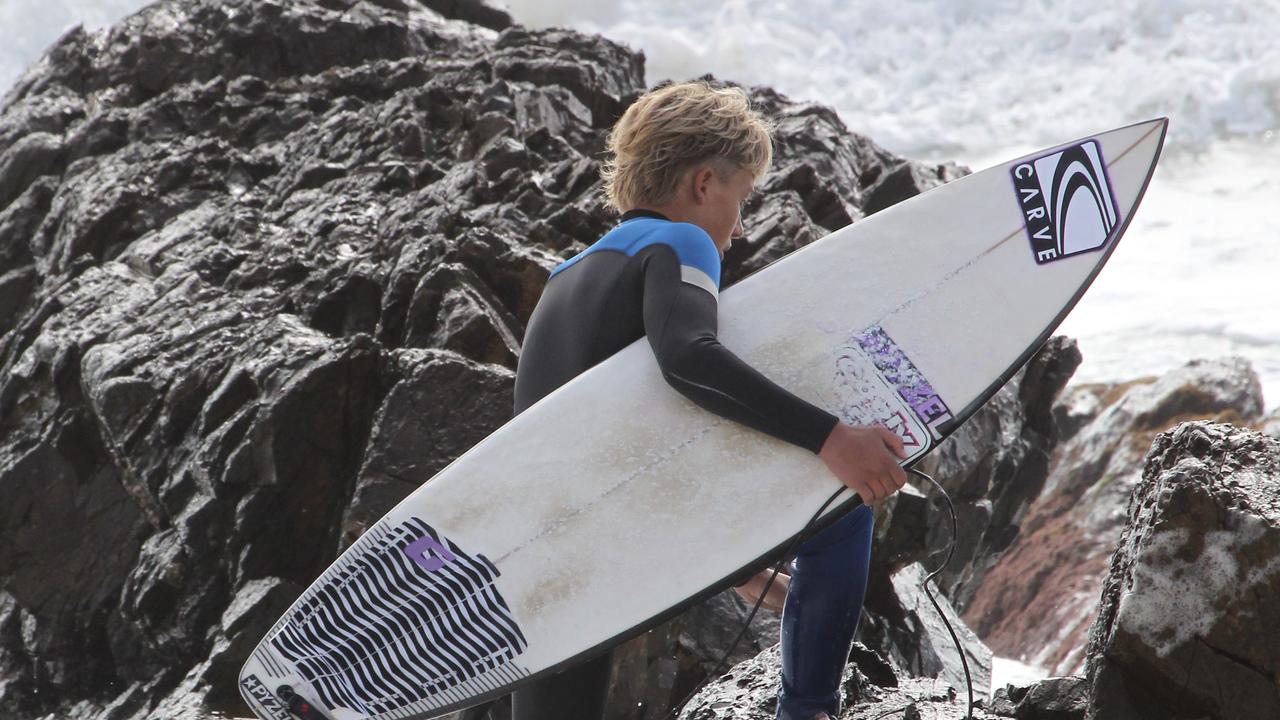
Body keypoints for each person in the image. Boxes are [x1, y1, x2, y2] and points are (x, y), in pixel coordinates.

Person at [490, 80, 908, 720]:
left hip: (556, 528)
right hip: (619, 509)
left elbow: (608, 419)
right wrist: (833, 439)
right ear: (704, 183)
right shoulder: (679, 241)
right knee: (841, 510)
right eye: (742, 199)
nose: (739, 229)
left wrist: (728, 562)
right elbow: (688, 357)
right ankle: (808, 710)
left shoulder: (565, 278)